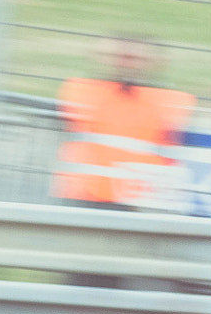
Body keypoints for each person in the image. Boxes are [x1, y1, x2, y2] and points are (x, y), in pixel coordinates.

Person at [53, 36, 195, 286]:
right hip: (89, 201)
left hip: (142, 205)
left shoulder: (171, 101)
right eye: (120, 57)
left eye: (134, 58)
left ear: (153, 62)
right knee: (83, 281)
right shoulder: (82, 91)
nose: (126, 64)